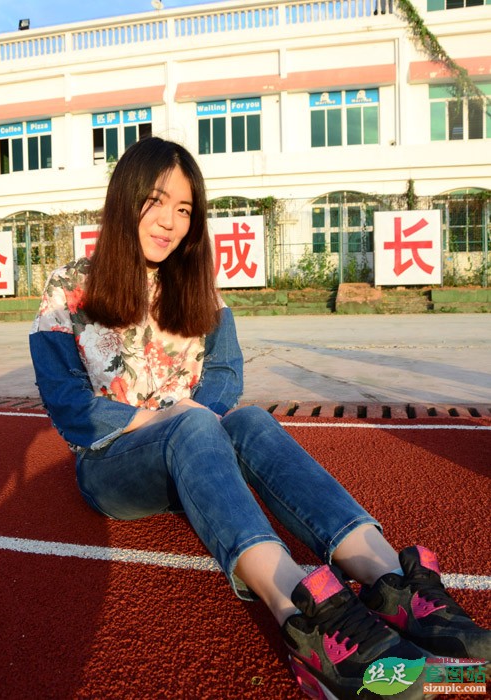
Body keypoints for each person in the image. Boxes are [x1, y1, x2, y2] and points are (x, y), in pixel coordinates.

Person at [29, 136, 490, 700]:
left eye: (185, 209)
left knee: (249, 420)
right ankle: (304, 614)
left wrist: (195, 418)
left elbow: (225, 373)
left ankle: (389, 577)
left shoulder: (194, 282)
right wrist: (168, 418)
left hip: (199, 448)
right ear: (125, 198)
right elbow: (67, 403)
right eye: (156, 201)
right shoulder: (69, 287)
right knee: (196, 424)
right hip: (114, 464)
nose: (170, 221)